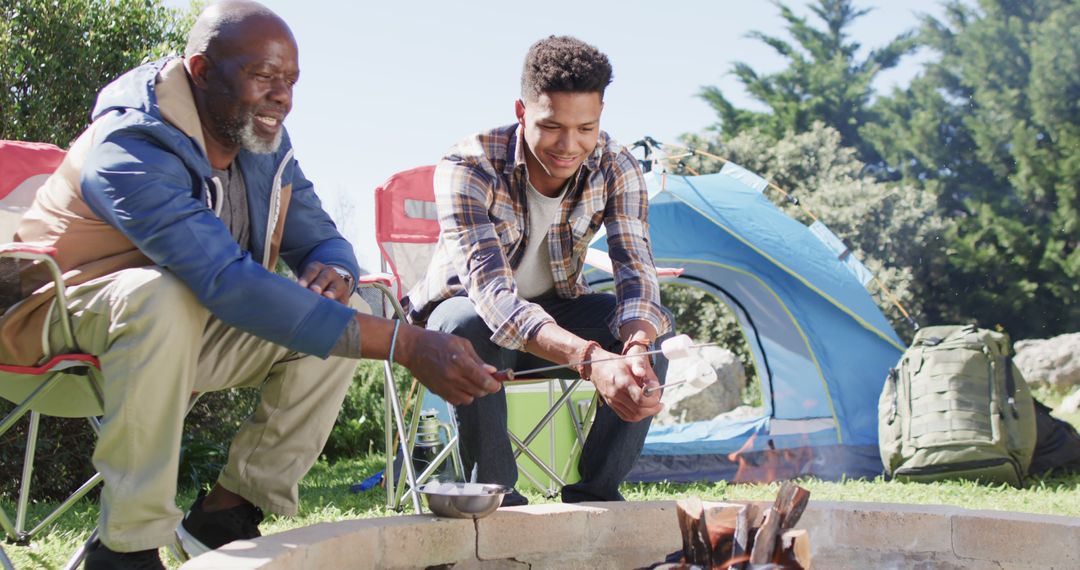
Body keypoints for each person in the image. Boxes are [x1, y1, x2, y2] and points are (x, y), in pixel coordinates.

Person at [2, 2, 498, 568]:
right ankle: (126, 549)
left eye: (290, 81)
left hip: (169, 334)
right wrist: (405, 343)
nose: (282, 97)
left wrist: (333, 271)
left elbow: (323, 237)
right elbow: (223, 281)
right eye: (263, 77)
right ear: (203, 70)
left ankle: (224, 514)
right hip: (45, 324)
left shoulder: (263, 145)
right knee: (159, 296)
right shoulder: (129, 146)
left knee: (341, 313)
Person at [404, 35, 674, 506]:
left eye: (586, 128)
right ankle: (497, 499)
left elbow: (636, 271)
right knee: (465, 324)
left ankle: (595, 496)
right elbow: (496, 302)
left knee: (653, 345)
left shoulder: (616, 164)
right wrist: (592, 359)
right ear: (521, 110)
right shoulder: (468, 165)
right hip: (473, 328)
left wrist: (633, 347)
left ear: (601, 116)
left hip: (558, 319)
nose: (569, 146)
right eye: (551, 127)